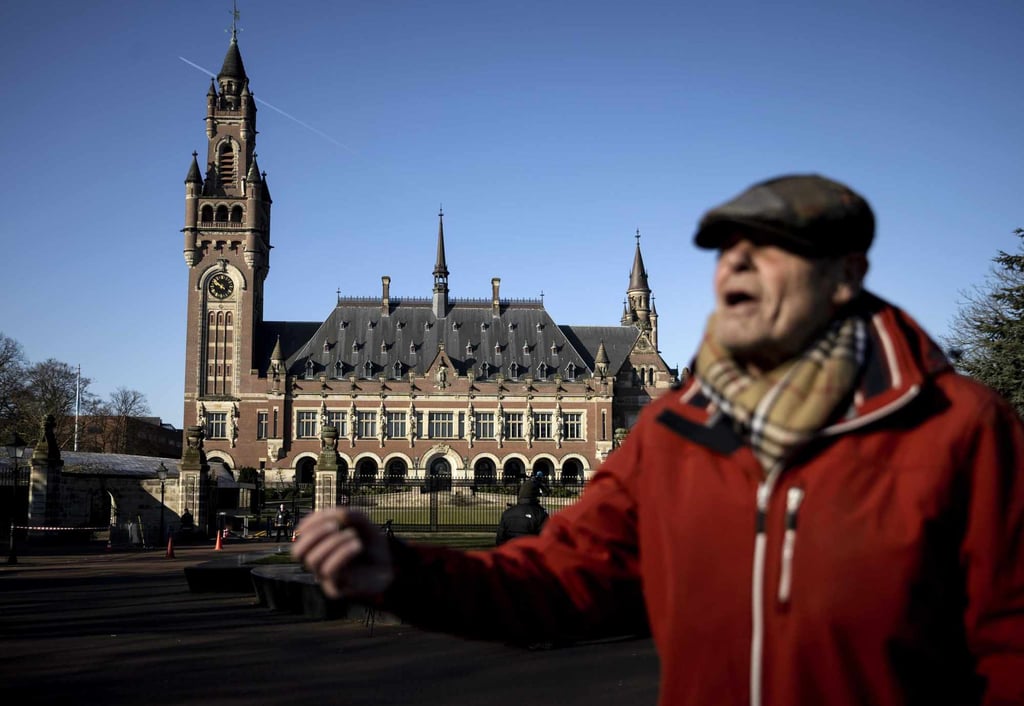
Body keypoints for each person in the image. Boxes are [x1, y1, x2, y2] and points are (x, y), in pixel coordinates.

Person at [293, 174, 1024, 706]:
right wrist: (406, 573)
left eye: (771, 252)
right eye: (727, 251)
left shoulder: (958, 426)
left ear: (846, 273)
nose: (737, 268)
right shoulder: (679, 433)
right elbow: (561, 580)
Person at [495, 473, 549, 545]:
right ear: (535, 495)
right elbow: (546, 540)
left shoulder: (507, 513)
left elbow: (500, 539)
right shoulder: (540, 514)